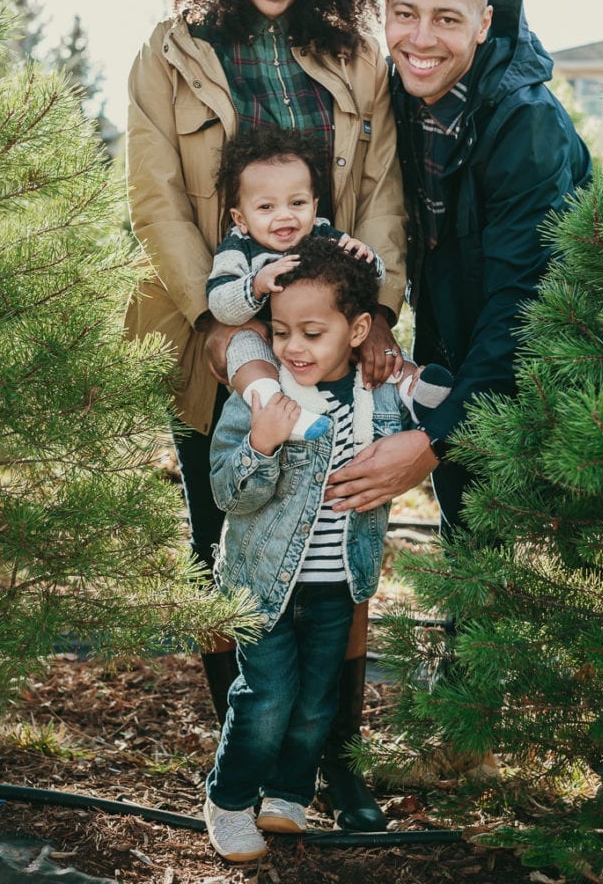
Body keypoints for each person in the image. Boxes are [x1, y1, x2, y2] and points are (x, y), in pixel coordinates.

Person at [124, 0, 406, 831]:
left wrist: (372, 317)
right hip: (225, 350)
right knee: (230, 554)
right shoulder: (168, 55)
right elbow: (159, 206)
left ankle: (335, 766)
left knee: (342, 554)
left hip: (334, 347)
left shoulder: (356, 57)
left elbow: (381, 201)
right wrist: (217, 323)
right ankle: (238, 767)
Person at [325, 0, 592, 531]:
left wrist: (434, 440)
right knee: (465, 542)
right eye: (405, 14)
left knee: (532, 551)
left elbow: (525, 300)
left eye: (446, 19)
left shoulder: (527, 127)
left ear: (482, 22)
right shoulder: (388, 96)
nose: (420, 39)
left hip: (547, 366)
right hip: (447, 346)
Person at [203, 236, 412, 862]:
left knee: (317, 699)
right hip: (262, 585)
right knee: (264, 699)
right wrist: (262, 448)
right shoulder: (265, 398)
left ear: (357, 331)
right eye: (281, 331)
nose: (292, 348)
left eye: (312, 333)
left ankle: (289, 794)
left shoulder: (376, 399)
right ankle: (230, 799)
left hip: (335, 585)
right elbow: (227, 493)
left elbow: (402, 452)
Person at [207, 127, 453, 437]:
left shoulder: (324, 234)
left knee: (359, 333)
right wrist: (255, 285)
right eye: (266, 207)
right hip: (270, 339)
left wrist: (368, 260)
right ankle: (273, 405)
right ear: (240, 218)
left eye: (297, 203)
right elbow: (219, 304)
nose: (284, 216)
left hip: (322, 337)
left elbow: (363, 283)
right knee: (242, 348)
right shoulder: (238, 249)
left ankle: (410, 387)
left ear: (314, 204)